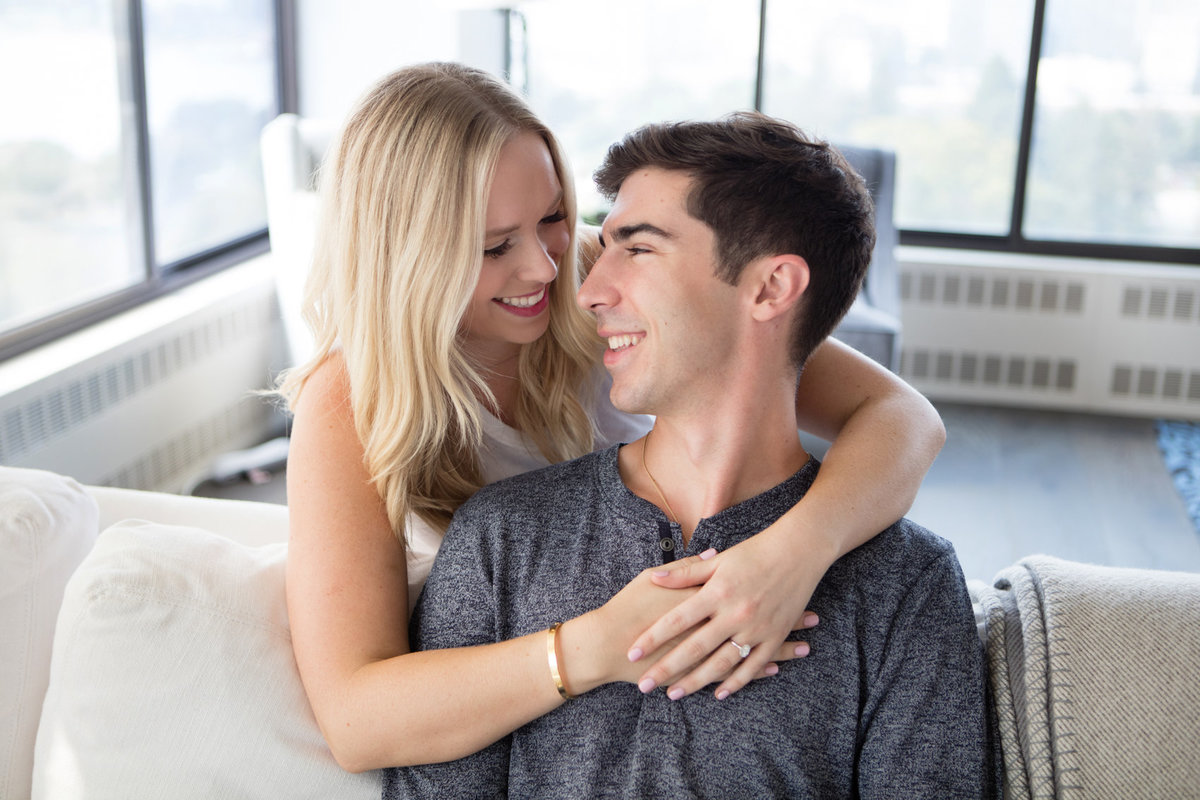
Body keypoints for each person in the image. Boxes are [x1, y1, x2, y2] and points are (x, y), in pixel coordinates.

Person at [279, 62, 947, 772]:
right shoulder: (354, 403)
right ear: (405, 258)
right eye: (494, 247)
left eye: (555, 217)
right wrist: (596, 647)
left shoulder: (602, 277)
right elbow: (355, 720)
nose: (544, 270)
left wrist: (787, 558)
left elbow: (902, 415)